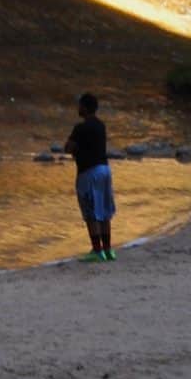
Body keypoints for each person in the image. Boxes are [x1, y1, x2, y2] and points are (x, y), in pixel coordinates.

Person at [63, 92, 115, 262]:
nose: (78, 108)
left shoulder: (80, 128)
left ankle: (96, 251)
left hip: (88, 172)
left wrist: (75, 149)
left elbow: (68, 148)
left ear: (84, 107)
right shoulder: (101, 125)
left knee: (91, 212)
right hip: (104, 169)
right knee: (105, 211)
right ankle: (108, 250)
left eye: (79, 105)